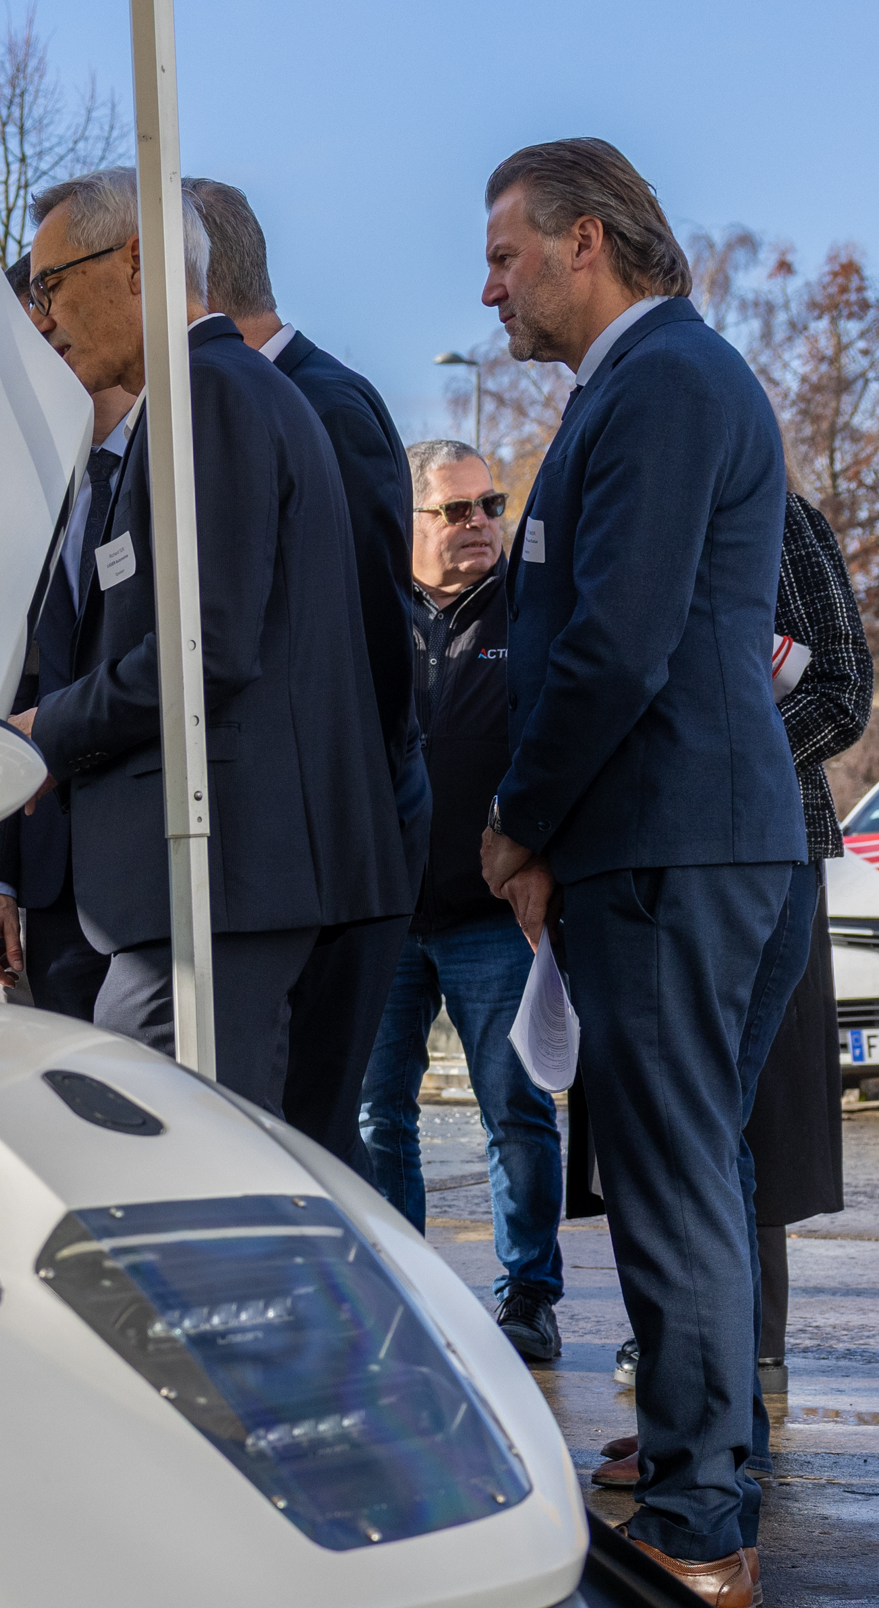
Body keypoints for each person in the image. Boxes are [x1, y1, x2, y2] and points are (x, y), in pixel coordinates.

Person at [476, 138, 807, 1608]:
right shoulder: (639, 385)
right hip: (677, 838)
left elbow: (614, 640)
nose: (487, 288)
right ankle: (697, 1449)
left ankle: (699, 1528)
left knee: (673, 1184)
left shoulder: (663, 381)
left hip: (671, 840)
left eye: (504, 257)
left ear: (586, 242)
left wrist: (518, 821)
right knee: (699, 1176)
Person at [9, 169, 397, 1109]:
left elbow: (205, 649)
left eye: (51, 284)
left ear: (137, 260)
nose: (43, 314)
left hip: (217, 880)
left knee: (164, 1159)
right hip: (212, 883)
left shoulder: (207, 396)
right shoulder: (201, 398)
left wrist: (45, 732)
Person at [593, 489, 871, 1487]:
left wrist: (718, 769)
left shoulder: (768, 511)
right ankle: (702, 1414)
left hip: (757, 853)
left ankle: (709, 1432)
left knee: (707, 1134)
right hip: (655, 854)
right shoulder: (637, 513)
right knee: (684, 1134)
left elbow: (838, 691)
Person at [182, 178, 423, 1156]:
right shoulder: (230, 404)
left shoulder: (326, 404)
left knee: (317, 1140)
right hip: (287, 849)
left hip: (333, 842)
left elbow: (371, 636)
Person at [354, 439, 564, 1366]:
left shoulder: (533, 608)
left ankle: (528, 1294)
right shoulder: (365, 616)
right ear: (409, 525)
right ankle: (403, 1287)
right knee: (375, 1113)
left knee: (513, 1109)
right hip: (386, 912)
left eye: (490, 505)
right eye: (456, 511)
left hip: (492, 916)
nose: (481, 524)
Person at [0, 371, 138, 1017]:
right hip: (54, 875)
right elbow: (9, 692)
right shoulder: (29, 505)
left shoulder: (173, 468)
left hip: (156, 861)